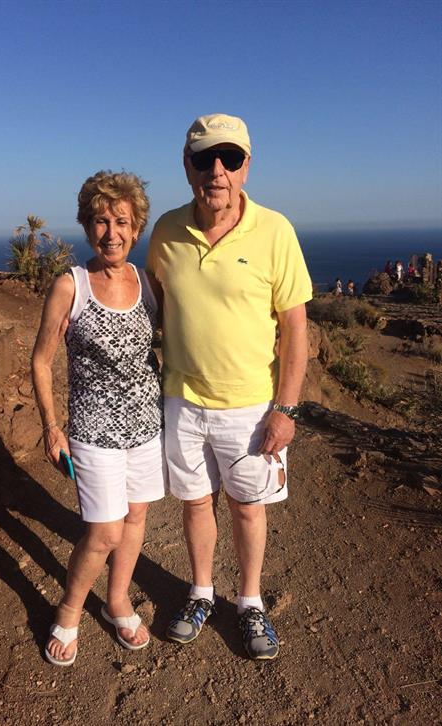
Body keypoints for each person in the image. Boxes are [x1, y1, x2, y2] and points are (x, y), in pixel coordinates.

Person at [147, 114, 312, 660]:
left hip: (250, 406)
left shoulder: (275, 230)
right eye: (203, 158)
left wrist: (286, 408)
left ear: (245, 166)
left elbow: (294, 328)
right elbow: (152, 304)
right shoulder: (166, 231)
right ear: (186, 165)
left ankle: (249, 602)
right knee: (195, 504)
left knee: (247, 508)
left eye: (230, 158)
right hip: (183, 401)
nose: (216, 171)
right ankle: (201, 593)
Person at [32, 171, 165, 666]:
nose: (112, 232)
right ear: (88, 228)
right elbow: (42, 359)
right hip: (94, 432)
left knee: (136, 519)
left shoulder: (147, 284)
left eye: (122, 222)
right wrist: (51, 426)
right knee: (104, 532)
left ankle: (115, 601)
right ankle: (68, 612)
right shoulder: (72, 285)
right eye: (101, 221)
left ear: (136, 228)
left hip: (145, 430)